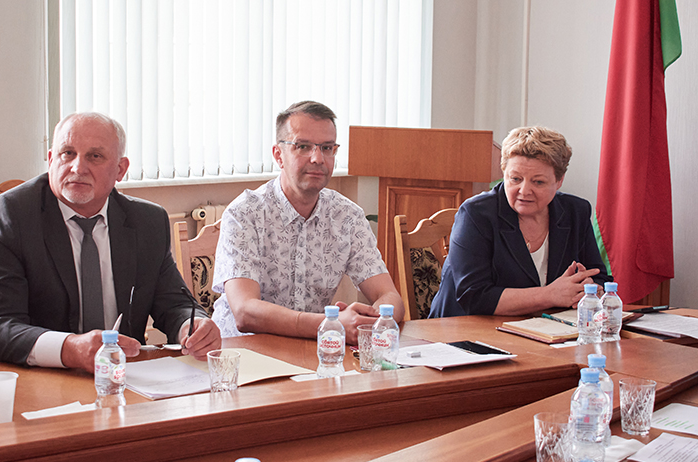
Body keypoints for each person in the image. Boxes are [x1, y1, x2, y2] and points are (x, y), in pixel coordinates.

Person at [0, 112, 221, 372]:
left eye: (94, 156)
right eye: (67, 153)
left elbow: (174, 303)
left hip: (122, 376)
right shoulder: (12, 215)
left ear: (120, 169)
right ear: (51, 160)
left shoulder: (147, 221)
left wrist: (192, 327)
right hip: (35, 376)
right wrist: (70, 349)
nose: (78, 168)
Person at [211, 100, 404, 344]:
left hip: (312, 351)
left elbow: (390, 297)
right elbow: (245, 311)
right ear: (279, 155)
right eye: (303, 146)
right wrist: (331, 324)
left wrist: (369, 321)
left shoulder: (347, 216)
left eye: (327, 148)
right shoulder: (244, 214)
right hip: (243, 352)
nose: (317, 158)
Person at [429, 126, 611, 318]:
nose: (524, 191)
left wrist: (589, 288)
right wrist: (550, 295)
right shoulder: (476, 214)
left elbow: (598, 276)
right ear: (504, 173)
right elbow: (474, 297)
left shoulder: (575, 211)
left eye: (538, 182)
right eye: (515, 179)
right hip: (465, 328)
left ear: (559, 181)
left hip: (542, 327)